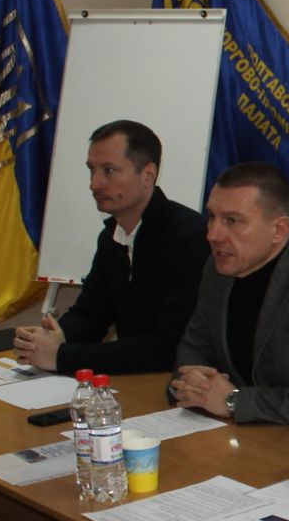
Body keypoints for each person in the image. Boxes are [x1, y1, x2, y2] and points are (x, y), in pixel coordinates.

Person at [170, 162, 289, 424]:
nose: (213, 234)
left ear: (279, 230)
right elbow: (194, 347)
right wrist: (193, 382)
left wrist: (234, 401)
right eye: (212, 216)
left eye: (232, 220)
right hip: (229, 434)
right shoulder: (217, 270)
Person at [14, 120, 205, 374]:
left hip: (176, 382)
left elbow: (168, 347)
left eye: (109, 171)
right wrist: (51, 337)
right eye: (92, 170)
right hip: (136, 380)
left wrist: (62, 356)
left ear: (148, 175)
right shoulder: (111, 237)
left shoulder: (189, 236)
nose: (95, 184)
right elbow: (91, 315)